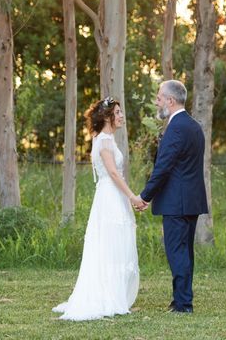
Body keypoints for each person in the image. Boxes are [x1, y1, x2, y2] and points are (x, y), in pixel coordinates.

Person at [53, 96, 146, 321]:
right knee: (111, 245)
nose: (122, 116)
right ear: (107, 117)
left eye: (121, 112)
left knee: (116, 244)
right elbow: (114, 173)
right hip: (110, 197)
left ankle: (117, 296)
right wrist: (133, 196)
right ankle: (108, 298)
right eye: (118, 113)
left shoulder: (106, 139)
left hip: (113, 196)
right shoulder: (104, 141)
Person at [135, 80, 208, 314]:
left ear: (170, 100)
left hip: (177, 202)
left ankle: (183, 304)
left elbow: (163, 167)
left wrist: (144, 196)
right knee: (185, 252)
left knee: (176, 252)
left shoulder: (176, 128)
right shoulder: (194, 127)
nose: (157, 101)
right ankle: (181, 299)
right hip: (191, 201)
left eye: (159, 97)